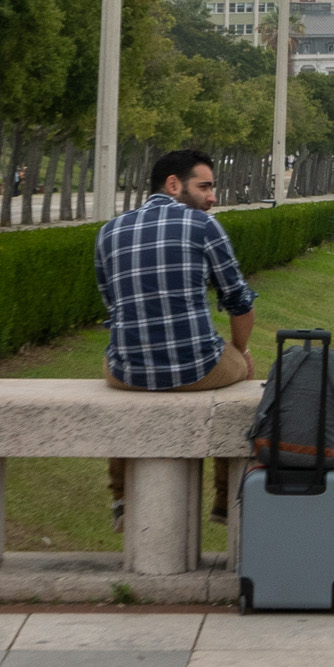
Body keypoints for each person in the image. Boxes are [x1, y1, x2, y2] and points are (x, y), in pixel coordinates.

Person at [98, 149, 258, 533]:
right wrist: (241, 351)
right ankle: (223, 499)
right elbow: (239, 302)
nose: (212, 197)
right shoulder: (204, 227)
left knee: (118, 369)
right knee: (245, 380)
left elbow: (112, 305)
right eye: (205, 186)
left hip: (125, 372)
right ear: (173, 185)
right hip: (197, 368)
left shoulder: (109, 231)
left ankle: (121, 498)